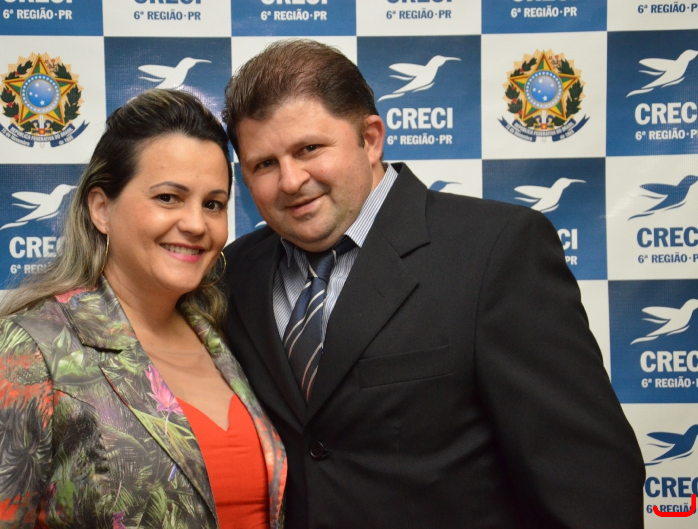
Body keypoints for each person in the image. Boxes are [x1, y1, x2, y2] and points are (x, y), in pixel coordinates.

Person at [220, 40, 645, 528]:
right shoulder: (234, 274)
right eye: (264, 164)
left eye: (309, 149)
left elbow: (590, 482)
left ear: (370, 138)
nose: (291, 180)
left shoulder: (497, 251)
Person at [0, 89, 286, 529]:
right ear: (101, 209)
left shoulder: (222, 334)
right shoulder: (31, 351)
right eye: (168, 198)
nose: (197, 224)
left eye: (212, 204)